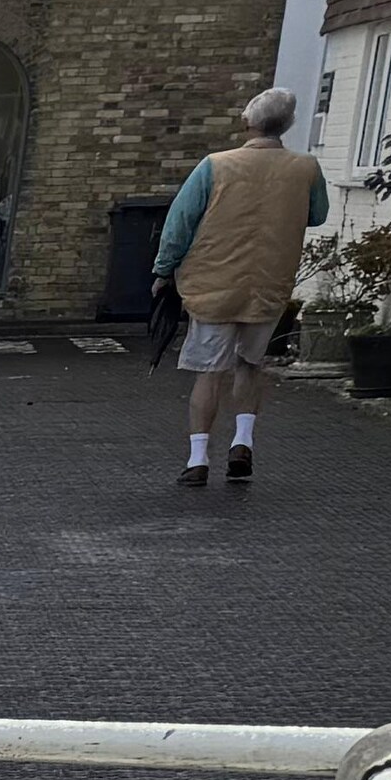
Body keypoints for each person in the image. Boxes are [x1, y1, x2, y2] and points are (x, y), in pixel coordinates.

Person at [153, 89, 327, 491]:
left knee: (209, 372)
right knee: (250, 364)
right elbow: (317, 215)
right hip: (268, 282)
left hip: (213, 284)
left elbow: (180, 224)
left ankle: (198, 460)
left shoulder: (215, 166)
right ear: (288, 124)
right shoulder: (306, 167)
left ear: (248, 122)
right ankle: (242, 442)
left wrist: (163, 271)